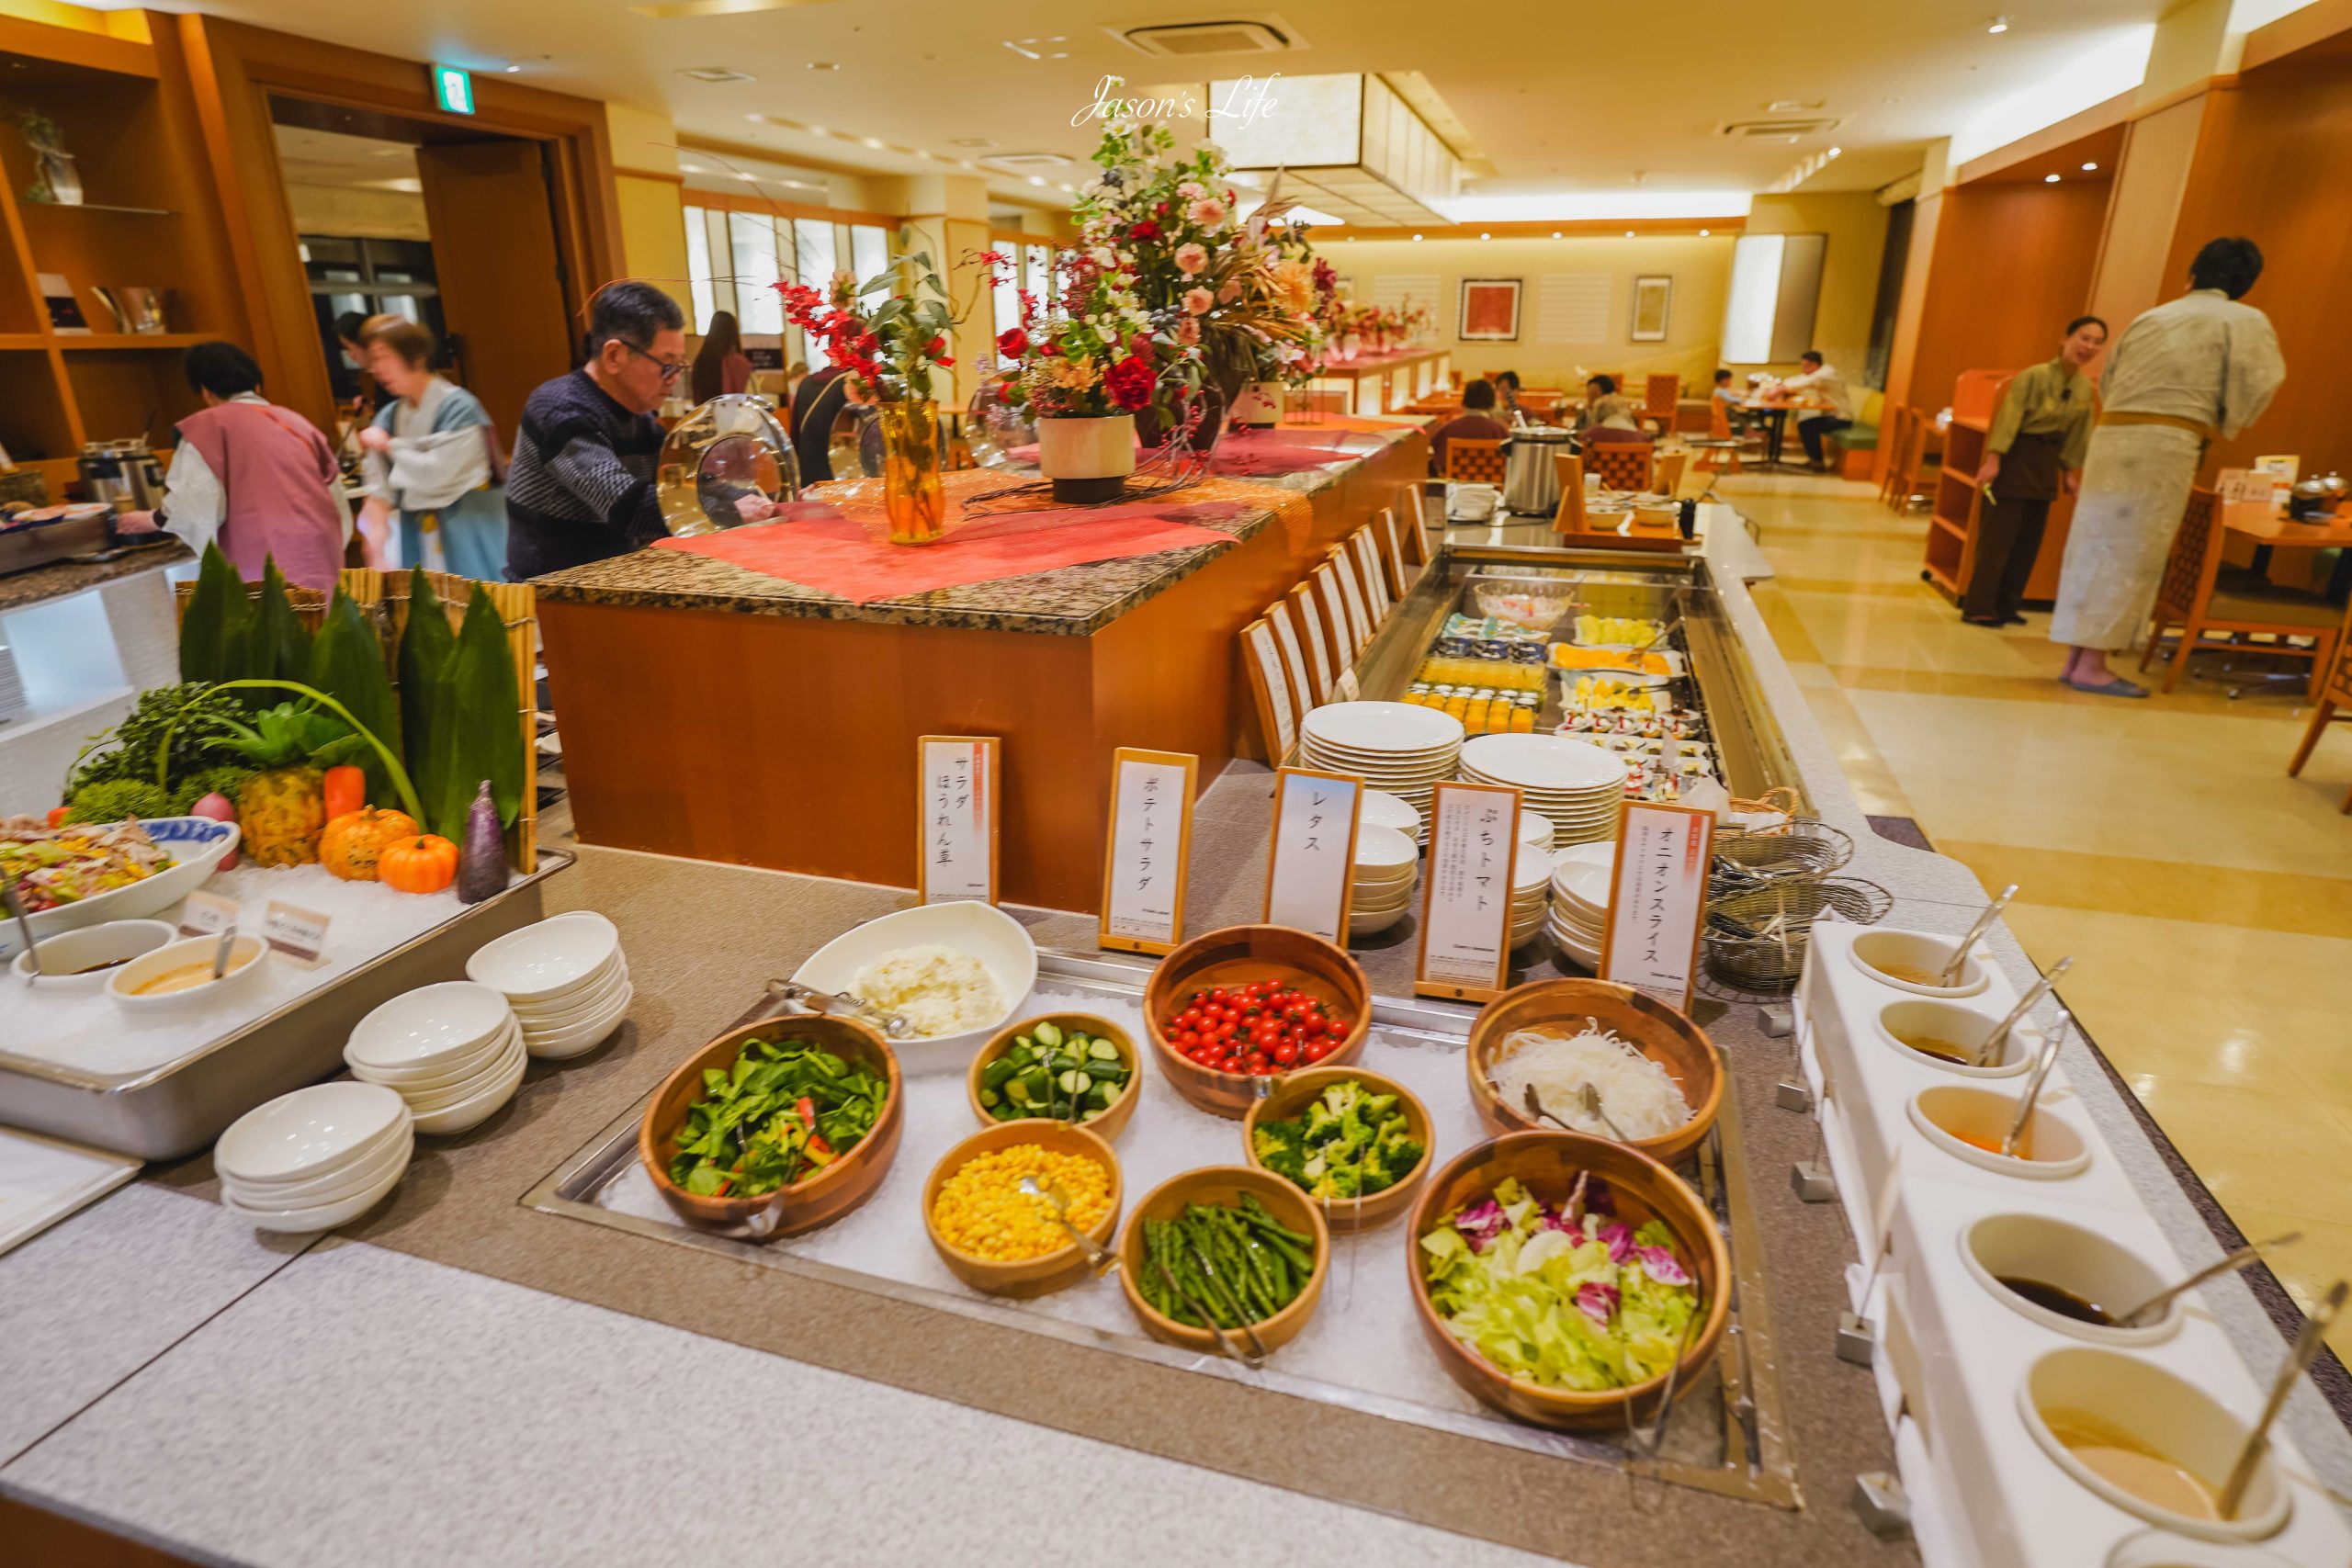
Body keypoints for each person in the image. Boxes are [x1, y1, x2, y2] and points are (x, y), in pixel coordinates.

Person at [2049, 237, 2286, 695]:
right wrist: (2223, 420)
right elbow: (2261, 379)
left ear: (2192, 276)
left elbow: (2112, 377)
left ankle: (2076, 657)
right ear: (2245, 285)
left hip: (2113, 437)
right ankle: (2092, 665)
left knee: (2092, 545)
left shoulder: (2154, 315)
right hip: (2165, 443)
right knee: (2131, 552)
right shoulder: (2244, 320)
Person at [505, 281, 773, 579]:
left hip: (612, 575)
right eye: (667, 365)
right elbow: (626, 507)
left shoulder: (638, 415)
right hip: (552, 588)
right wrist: (733, 510)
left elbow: (686, 480)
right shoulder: (561, 409)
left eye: (679, 366)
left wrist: (752, 500)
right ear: (614, 356)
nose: (673, 379)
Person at [113, 343, 348, 591]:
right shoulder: (297, 421)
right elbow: (335, 493)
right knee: (321, 620)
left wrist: (153, 519)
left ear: (205, 391)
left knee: (274, 621)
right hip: (320, 551)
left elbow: (194, 503)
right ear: (257, 384)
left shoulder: (208, 428)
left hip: (264, 557)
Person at [1960, 315, 2109, 627]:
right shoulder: (2034, 376)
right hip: (2017, 456)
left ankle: (2007, 605)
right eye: (2084, 338)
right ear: (2065, 338)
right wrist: (1993, 459)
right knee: (1998, 538)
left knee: (2029, 540)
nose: (2089, 346)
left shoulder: (2084, 387)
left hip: (2047, 463)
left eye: (2097, 342)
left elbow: (2079, 432)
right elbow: (2009, 417)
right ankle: (1979, 606)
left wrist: (2069, 472)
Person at [355, 314, 508, 582]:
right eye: (373, 360)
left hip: (472, 529)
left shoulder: (460, 408)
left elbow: (440, 475)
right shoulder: (389, 417)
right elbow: (379, 490)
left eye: (383, 356)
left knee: (483, 612)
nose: (376, 369)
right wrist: (375, 546)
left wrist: (390, 446)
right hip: (418, 535)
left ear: (415, 356)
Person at [1778, 351, 1854, 470]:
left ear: (1814, 365)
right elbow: (1799, 379)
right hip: (1832, 415)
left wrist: (1778, 390)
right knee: (1806, 424)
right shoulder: (1820, 373)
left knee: (1807, 425)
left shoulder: (1826, 374)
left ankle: (1817, 462)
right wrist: (1781, 386)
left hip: (1842, 418)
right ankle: (1815, 460)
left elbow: (1805, 382)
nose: (1802, 369)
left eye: (1805, 366)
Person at [1428, 378, 1512, 474]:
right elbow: (1510, 460)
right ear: (1491, 401)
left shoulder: (1448, 428)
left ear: (1465, 399)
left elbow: (1438, 460)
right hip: (1490, 483)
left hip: (1453, 483)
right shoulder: (1498, 430)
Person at [689, 310, 752, 405]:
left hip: (703, 414)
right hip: (731, 415)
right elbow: (744, 396)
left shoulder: (701, 359)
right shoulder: (738, 361)